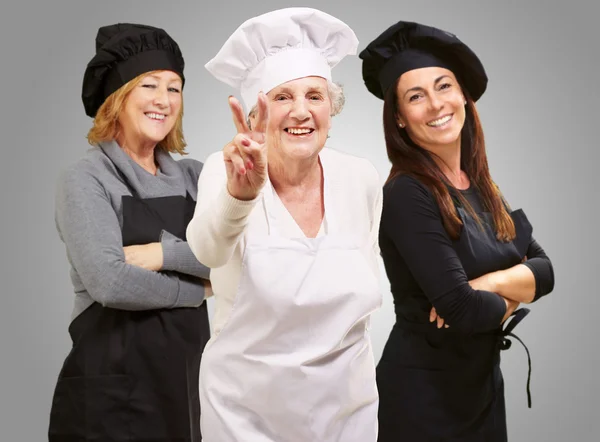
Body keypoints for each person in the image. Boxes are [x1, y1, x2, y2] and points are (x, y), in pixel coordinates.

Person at [186, 7, 383, 442]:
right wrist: (242, 193)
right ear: (255, 118)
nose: (301, 112)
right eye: (281, 98)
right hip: (245, 415)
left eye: (315, 96)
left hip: (347, 414)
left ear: (332, 109)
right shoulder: (227, 170)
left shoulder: (361, 178)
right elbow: (207, 251)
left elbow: (368, 281)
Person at [359, 20, 555, 441]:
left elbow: (545, 270)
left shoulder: (482, 185)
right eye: (416, 96)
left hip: (480, 392)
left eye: (443, 86)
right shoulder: (406, 194)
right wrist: (508, 293)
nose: (435, 104)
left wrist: (488, 283)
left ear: (463, 94)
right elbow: (464, 313)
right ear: (399, 118)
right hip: (422, 401)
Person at [48, 23, 211, 442]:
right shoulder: (86, 179)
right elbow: (110, 281)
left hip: (186, 385)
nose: (164, 100)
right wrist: (196, 289)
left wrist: (161, 255)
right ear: (116, 98)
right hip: (108, 395)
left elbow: (235, 256)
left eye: (174, 88)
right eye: (150, 85)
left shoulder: (196, 177)